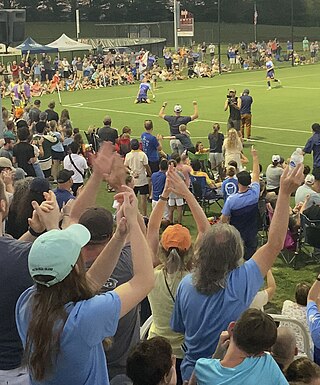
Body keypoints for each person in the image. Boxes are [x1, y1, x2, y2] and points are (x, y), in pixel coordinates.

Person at [171, 154, 304, 382]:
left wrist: (185, 193)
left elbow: (179, 328)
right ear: (237, 256)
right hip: (232, 372)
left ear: (202, 253)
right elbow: (274, 243)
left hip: (192, 372)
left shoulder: (185, 284)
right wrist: (284, 193)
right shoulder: (240, 281)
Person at [15, 178, 154, 385]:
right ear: (75, 269)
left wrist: (119, 236)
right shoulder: (83, 319)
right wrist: (134, 223)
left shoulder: (27, 303)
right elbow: (143, 281)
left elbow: (91, 281)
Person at [147, 165, 211, 385]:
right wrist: (185, 192)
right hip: (184, 352)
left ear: (162, 250)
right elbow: (205, 229)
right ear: (190, 250)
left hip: (155, 348)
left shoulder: (150, 274)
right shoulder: (195, 278)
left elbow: (152, 229)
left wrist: (164, 195)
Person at [191, 309, 288, 385]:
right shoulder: (268, 363)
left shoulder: (202, 368)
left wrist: (217, 353)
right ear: (261, 353)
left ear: (231, 328)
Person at [221, 148, 260, 260]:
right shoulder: (255, 193)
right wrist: (255, 157)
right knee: (251, 258)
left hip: (237, 234)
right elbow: (256, 175)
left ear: (238, 182)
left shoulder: (232, 200)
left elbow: (224, 219)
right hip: (252, 232)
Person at [124, 139, 151, 217]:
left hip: (133, 179)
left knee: (133, 197)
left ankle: (133, 213)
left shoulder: (128, 155)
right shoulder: (142, 155)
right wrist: (150, 174)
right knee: (143, 197)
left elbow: (125, 166)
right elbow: (146, 166)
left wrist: (131, 172)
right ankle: (144, 215)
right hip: (142, 178)